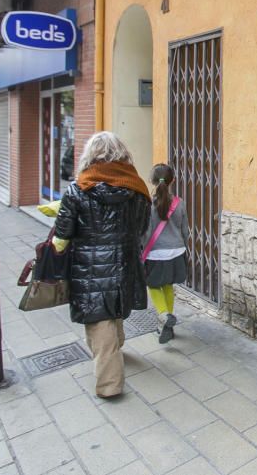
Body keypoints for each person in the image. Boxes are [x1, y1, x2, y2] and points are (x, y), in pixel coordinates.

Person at [52, 132, 150, 398]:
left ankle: (109, 384)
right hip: (126, 261)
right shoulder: (137, 189)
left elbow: (62, 233)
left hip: (90, 266)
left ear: (90, 155)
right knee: (114, 307)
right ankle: (117, 349)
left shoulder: (78, 189)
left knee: (99, 319)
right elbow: (142, 227)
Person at [142, 164, 189, 343]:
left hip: (155, 254)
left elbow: (146, 233)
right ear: (173, 181)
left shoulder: (148, 204)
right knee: (168, 285)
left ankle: (163, 315)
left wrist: (142, 249)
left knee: (153, 285)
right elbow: (185, 230)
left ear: (152, 181)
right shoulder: (180, 202)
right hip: (177, 251)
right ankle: (166, 324)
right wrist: (184, 247)